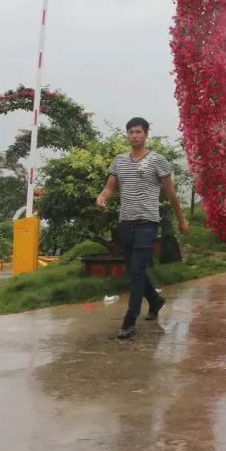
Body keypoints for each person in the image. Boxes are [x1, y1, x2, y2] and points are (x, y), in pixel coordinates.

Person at [96, 117, 189, 340]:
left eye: (138, 132)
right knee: (134, 269)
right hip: (125, 223)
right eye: (131, 132)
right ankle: (155, 300)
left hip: (148, 222)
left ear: (146, 135)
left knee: (137, 269)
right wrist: (101, 197)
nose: (134, 135)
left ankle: (129, 321)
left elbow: (171, 194)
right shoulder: (119, 161)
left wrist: (181, 219)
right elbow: (109, 188)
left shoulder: (158, 161)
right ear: (127, 135)